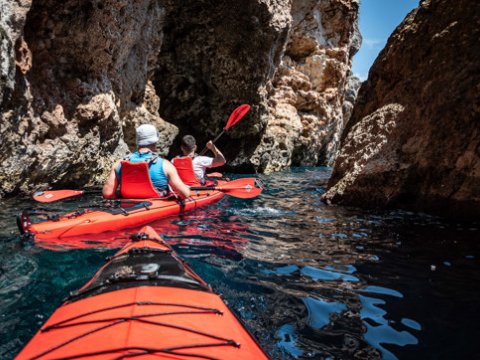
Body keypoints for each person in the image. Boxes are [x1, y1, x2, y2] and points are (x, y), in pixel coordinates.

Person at [102, 124, 191, 199]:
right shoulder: (166, 165)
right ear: (155, 141)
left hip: (126, 209)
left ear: (138, 141)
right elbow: (185, 194)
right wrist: (186, 189)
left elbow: (107, 194)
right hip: (156, 210)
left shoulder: (119, 163)